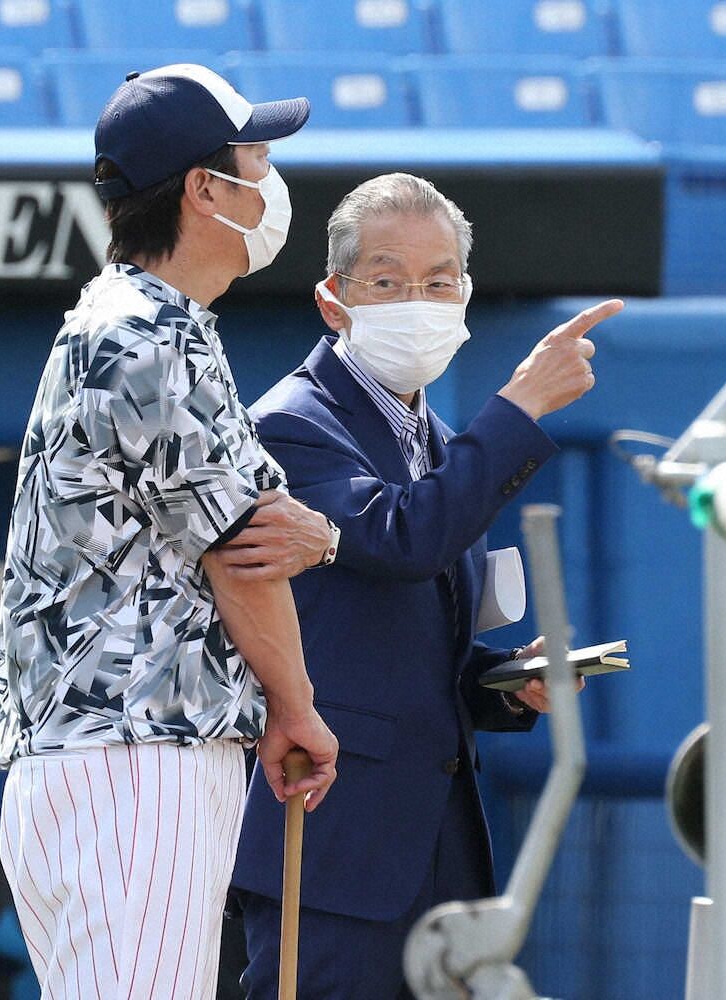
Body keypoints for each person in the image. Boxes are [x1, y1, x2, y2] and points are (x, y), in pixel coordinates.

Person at [222, 173, 623, 999]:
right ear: (333, 300)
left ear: (465, 296)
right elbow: (403, 538)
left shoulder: (436, 437)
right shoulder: (289, 423)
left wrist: (504, 683)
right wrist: (519, 406)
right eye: (386, 281)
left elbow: (399, 633)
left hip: (435, 843)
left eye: (439, 282)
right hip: (330, 839)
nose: (417, 301)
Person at [0, 63, 339, 1000]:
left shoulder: (121, 318)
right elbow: (246, 551)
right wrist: (295, 706)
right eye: (254, 159)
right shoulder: (150, 332)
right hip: (140, 760)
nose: (268, 179)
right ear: (203, 188)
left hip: (89, 759)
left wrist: (312, 534)